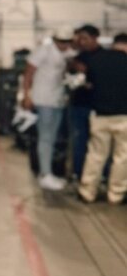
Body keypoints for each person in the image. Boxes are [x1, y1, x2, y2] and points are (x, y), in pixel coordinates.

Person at [21, 29, 73, 191]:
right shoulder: (43, 51)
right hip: (43, 99)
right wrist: (26, 95)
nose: (64, 45)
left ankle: (47, 171)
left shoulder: (68, 54)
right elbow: (28, 74)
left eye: (67, 42)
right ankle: (45, 173)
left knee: (52, 138)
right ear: (55, 39)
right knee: (45, 137)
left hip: (57, 99)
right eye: (61, 42)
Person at [77, 41, 127, 204]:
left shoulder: (96, 61)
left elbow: (88, 84)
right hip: (124, 116)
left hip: (100, 115)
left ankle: (87, 191)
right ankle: (115, 194)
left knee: (96, 155)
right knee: (122, 157)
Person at [68, 24, 101, 180]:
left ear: (95, 38)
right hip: (79, 106)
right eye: (79, 38)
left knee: (99, 144)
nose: (82, 42)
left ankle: (101, 174)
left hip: (98, 107)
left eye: (85, 38)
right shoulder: (78, 58)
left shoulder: (104, 57)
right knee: (79, 140)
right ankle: (78, 172)